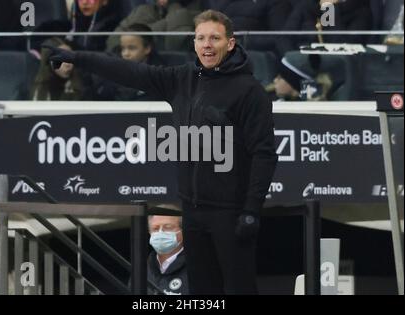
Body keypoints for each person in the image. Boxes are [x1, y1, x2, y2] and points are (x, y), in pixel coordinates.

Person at [44, 9, 278, 294]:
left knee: (239, 290)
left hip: (231, 213)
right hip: (192, 212)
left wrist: (252, 210)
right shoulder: (181, 79)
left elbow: (264, 154)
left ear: (230, 43)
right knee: (203, 294)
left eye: (214, 38)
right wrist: (78, 57)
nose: (206, 44)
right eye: (200, 38)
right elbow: (130, 72)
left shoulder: (249, 91)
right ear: (193, 43)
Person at [147, 213, 188, 295]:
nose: (160, 233)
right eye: (155, 229)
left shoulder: (196, 267)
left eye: (168, 228)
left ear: (182, 232)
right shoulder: (142, 268)